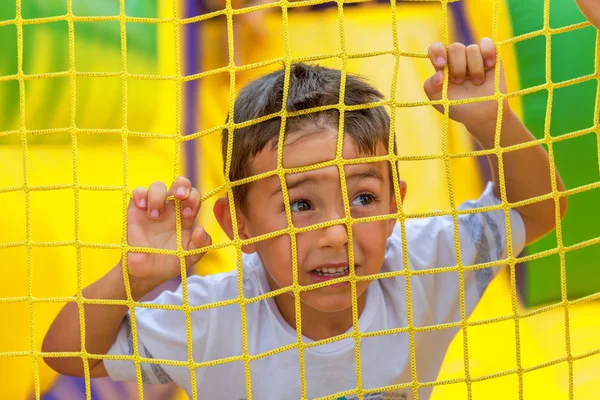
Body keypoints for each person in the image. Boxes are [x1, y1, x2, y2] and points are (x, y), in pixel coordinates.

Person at [42, 2, 600, 392]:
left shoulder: (420, 268)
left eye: (362, 199)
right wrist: (133, 278)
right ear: (238, 223)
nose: (337, 233)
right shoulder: (214, 320)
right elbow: (66, 354)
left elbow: (538, 210)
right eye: (301, 205)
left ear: (395, 204)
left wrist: (490, 119)